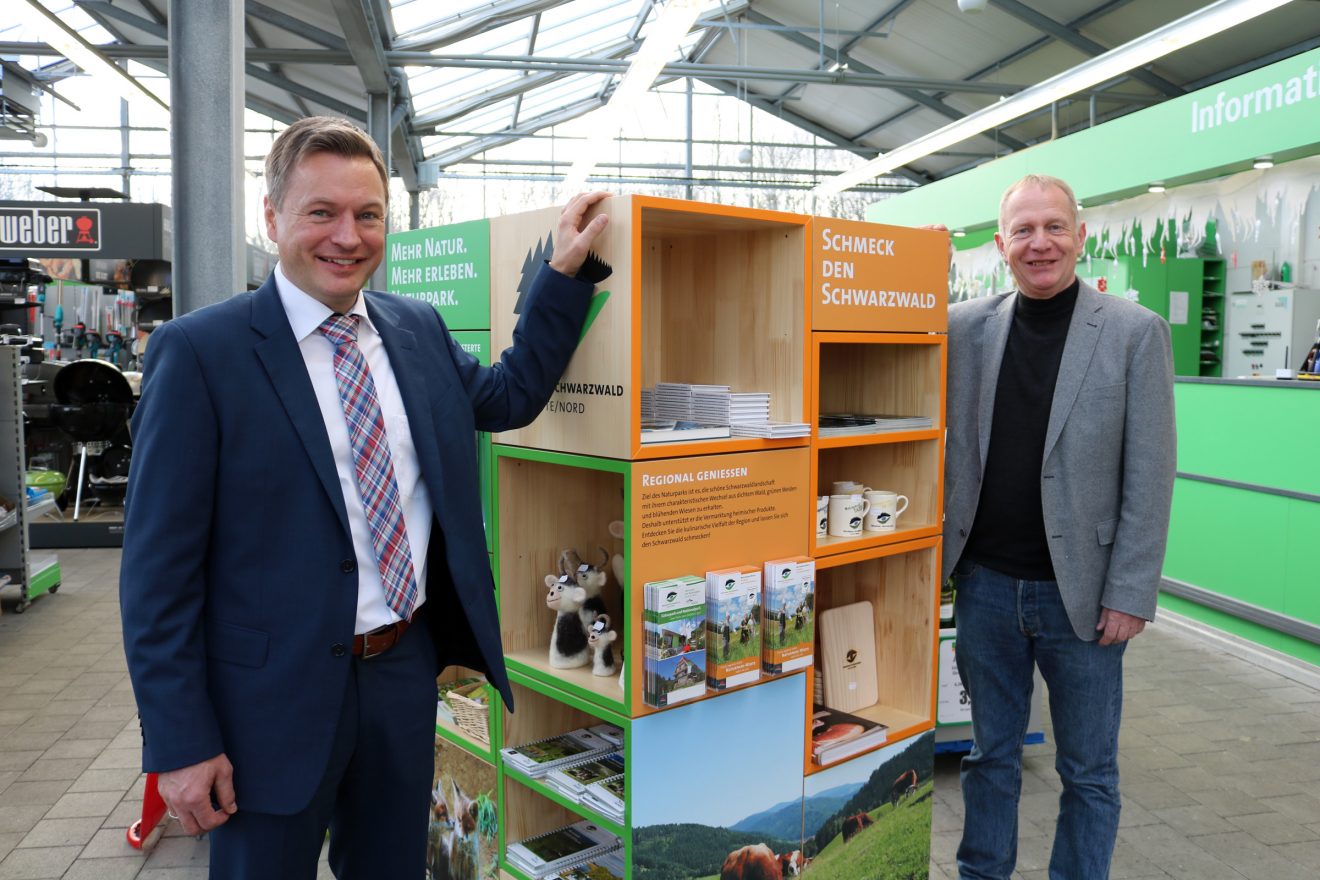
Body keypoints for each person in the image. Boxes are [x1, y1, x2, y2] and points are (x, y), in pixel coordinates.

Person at [119, 115, 610, 878]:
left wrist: (566, 274)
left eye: (368, 215)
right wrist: (181, 742)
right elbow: (157, 574)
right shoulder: (202, 354)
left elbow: (510, 396)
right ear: (273, 217)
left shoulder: (416, 330)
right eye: (322, 212)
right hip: (265, 705)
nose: (348, 237)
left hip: (399, 674)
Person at [942, 173, 1176, 879]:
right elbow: (881, 341)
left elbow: (1150, 473)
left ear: (1080, 235)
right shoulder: (963, 328)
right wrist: (920, 269)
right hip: (985, 587)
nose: (1039, 243)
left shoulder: (1135, 332)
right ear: (1000, 245)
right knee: (989, 757)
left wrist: (1131, 593)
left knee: (1089, 772)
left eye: (1053, 227)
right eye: (1023, 230)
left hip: (1084, 597)